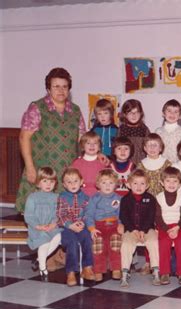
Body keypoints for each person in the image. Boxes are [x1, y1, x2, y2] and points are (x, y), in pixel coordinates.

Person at [16, 67, 86, 213]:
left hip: (67, 171)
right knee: (38, 214)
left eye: (64, 86)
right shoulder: (37, 108)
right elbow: (24, 138)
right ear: (48, 89)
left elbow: (82, 139)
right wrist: (29, 167)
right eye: (56, 86)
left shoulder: (75, 110)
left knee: (64, 217)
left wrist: (95, 155)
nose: (61, 90)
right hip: (43, 171)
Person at [119, 169, 159, 287]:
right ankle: (125, 273)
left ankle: (156, 271)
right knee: (126, 244)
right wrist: (133, 229)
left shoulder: (151, 199)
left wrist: (143, 230)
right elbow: (123, 216)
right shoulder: (125, 199)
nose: (138, 186)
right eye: (135, 183)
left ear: (147, 186)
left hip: (147, 229)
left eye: (142, 183)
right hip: (131, 230)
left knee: (153, 241)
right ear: (128, 185)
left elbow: (151, 216)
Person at [56, 168, 94, 287]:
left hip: (81, 226)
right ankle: (71, 272)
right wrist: (70, 225)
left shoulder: (86, 197)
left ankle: (87, 267)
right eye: (69, 182)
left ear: (81, 181)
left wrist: (83, 223)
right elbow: (60, 215)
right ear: (64, 184)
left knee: (88, 238)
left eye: (75, 181)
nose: (72, 184)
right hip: (66, 228)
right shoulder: (61, 197)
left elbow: (88, 214)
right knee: (71, 242)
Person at [84, 169, 123, 282]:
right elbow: (89, 214)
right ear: (98, 184)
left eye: (111, 183)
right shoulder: (94, 199)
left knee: (115, 243)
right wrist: (91, 228)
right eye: (104, 183)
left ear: (115, 185)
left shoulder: (118, 199)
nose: (107, 186)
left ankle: (116, 268)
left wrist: (120, 225)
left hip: (114, 225)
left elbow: (121, 214)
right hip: (99, 226)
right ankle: (98, 270)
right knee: (98, 246)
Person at [24, 167, 62, 282]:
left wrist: (53, 224)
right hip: (37, 228)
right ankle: (42, 268)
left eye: (51, 181)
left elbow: (58, 213)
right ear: (38, 183)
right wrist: (38, 226)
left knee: (58, 237)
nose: (48, 184)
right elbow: (29, 216)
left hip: (51, 226)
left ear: (55, 183)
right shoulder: (33, 197)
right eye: (44, 181)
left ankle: (38, 259)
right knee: (44, 241)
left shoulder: (56, 197)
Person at [155, 167, 181, 285]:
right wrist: (167, 229)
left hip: (179, 225)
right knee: (164, 243)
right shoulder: (158, 197)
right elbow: (157, 217)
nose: (171, 184)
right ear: (162, 183)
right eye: (168, 181)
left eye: (175, 181)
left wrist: (178, 227)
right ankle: (164, 273)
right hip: (164, 226)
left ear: (180, 184)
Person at [71, 131, 108, 197]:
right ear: (82, 146)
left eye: (95, 143)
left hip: (99, 195)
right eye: (88, 143)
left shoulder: (103, 162)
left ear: (99, 147)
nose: (92, 145)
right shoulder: (77, 163)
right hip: (80, 194)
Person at [118, 99, 150, 165]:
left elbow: (149, 146)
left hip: (141, 163)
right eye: (130, 113)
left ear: (141, 113)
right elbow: (116, 148)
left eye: (137, 112)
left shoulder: (144, 129)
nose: (134, 115)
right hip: (125, 163)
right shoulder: (121, 129)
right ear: (124, 114)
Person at [155, 99, 181, 164]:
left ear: (180, 116)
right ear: (163, 113)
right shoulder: (158, 132)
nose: (172, 114)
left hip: (178, 165)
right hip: (161, 165)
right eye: (169, 111)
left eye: (176, 111)